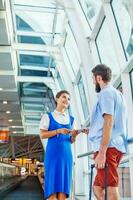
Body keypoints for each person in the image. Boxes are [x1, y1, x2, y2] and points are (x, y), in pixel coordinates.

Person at [88, 64, 128, 200]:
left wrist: (102, 152)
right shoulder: (118, 94)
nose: (93, 82)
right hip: (117, 144)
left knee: (111, 185)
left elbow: (109, 121)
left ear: (99, 78)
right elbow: (112, 121)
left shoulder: (105, 93)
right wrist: (92, 129)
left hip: (108, 147)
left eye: (93, 78)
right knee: (97, 187)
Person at [39, 90, 88, 200]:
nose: (66, 100)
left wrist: (75, 135)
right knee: (51, 193)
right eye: (64, 97)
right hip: (52, 157)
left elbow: (70, 140)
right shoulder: (48, 116)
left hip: (66, 157)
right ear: (57, 99)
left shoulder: (71, 119)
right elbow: (42, 135)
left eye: (69, 99)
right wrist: (58, 131)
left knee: (63, 193)